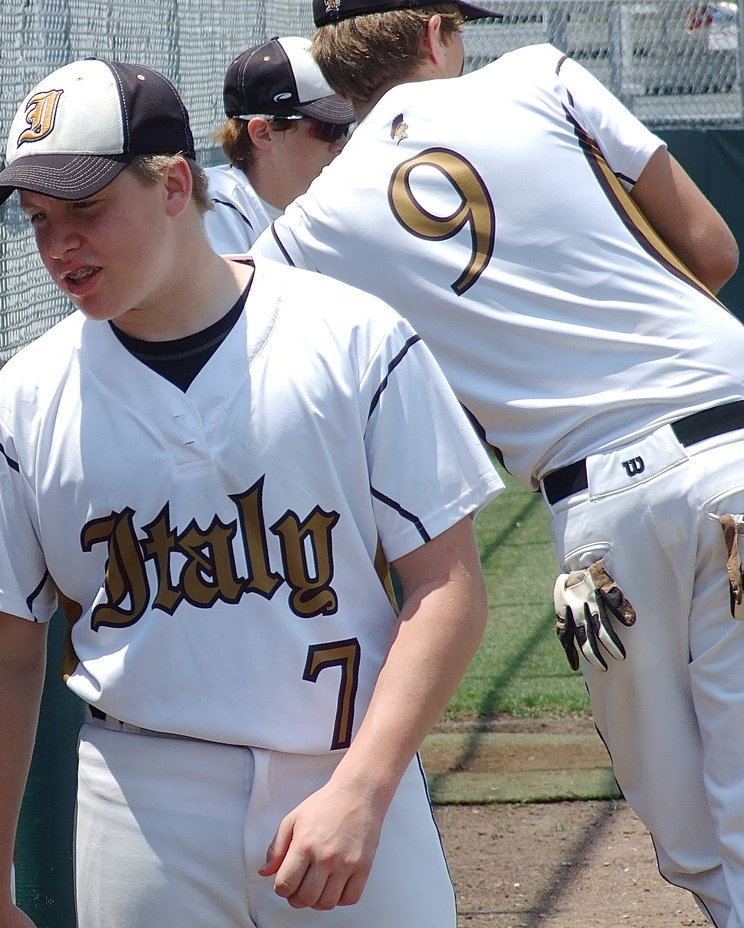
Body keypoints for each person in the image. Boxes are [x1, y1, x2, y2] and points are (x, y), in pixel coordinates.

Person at [0, 57, 502, 926]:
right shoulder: (26, 401)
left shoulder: (353, 340)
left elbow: (449, 589)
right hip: (140, 797)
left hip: (346, 771)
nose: (60, 246)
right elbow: (6, 656)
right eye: (40, 219)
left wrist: (363, 789)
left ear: (173, 186)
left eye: (87, 208)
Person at [251, 1, 744, 923]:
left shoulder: (306, 228)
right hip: (732, 445)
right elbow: (713, 249)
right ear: (438, 30)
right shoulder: (542, 75)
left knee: (690, 840)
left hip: (593, 518)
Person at [204, 36, 354, 254]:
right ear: (263, 134)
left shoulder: (334, 202)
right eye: (328, 130)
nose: (343, 144)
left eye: (346, 128)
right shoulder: (216, 208)